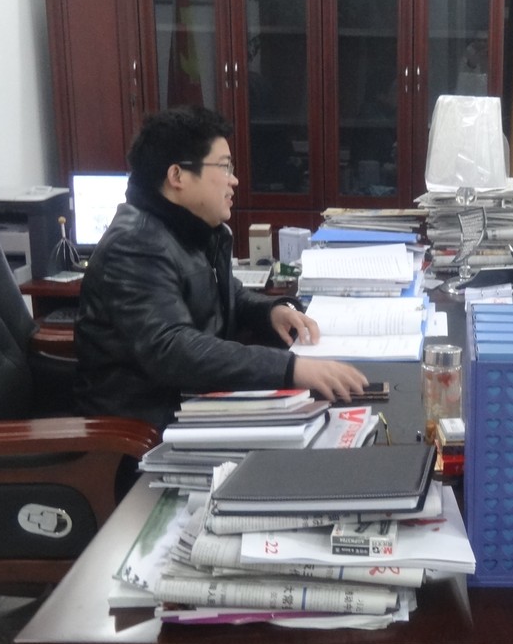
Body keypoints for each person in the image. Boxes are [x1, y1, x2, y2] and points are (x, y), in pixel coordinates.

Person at [75, 106, 368, 433]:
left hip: (196, 402)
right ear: (177, 176)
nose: (234, 180)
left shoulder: (191, 229)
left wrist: (270, 312)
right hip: (149, 426)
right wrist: (290, 368)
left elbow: (226, 295)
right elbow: (172, 349)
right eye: (224, 167)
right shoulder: (135, 244)